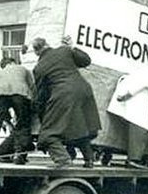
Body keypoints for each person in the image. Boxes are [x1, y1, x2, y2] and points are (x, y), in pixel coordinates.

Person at [32, 36, 101, 167]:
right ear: (47, 43)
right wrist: (72, 47)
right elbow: (86, 61)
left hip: (63, 94)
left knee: (48, 135)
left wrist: (43, 118)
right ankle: (89, 159)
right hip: (84, 90)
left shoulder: (39, 68)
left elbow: (42, 96)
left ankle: (63, 160)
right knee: (80, 126)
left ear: (36, 52)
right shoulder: (64, 51)